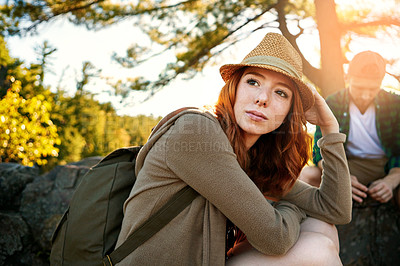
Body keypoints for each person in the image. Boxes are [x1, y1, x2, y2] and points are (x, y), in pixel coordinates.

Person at [115, 32, 352, 265]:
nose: (262, 98)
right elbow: (275, 238)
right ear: (234, 88)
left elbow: (334, 210)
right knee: (318, 251)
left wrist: (330, 128)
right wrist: (292, 207)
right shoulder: (195, 131)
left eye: (280, 92)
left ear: (290, 111)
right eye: (253, 81)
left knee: (322, 227)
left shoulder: (253, 158)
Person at [299, 50, 400, 265]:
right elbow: (319, 151)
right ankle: (299, 236)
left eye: (372, 89)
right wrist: (341, 177)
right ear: (348, 79)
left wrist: (391, 181)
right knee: (305, 176)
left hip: (387, 166)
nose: (365, 95)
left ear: (381, 82)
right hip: (346, 165)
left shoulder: (395, 103)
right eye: (359, 88)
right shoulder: (333, 102)